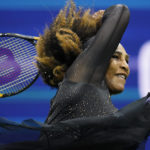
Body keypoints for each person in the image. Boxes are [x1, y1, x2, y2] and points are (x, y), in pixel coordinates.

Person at [0, 1, 150, 150]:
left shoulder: (111, 120)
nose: (125, 65)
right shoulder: (80, 80)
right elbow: (120, 12)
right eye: (115, 57)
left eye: (127, 60)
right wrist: (99, 19)